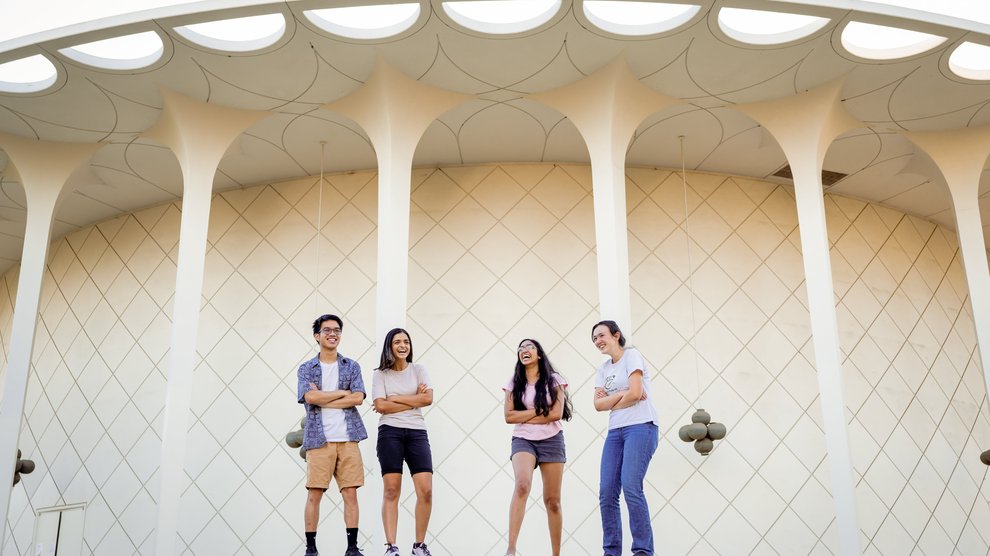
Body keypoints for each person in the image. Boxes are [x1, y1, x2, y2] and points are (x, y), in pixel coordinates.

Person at [298, 314, 369, 556]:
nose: (333, 334)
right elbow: (309, 398)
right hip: (319, 439)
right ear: (317, 336)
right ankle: (311, 548)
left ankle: (352, 548)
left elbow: (358, 397)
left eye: (337, 330)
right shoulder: (307, 368)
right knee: (314, 492)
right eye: (327, 330)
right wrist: (342, 393)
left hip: (348, 438)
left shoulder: (352, 366)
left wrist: (324, 397)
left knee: (350, 492)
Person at [592, 320, 659, 556]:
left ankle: (642, 551)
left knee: (631, 486)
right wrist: (623, 394)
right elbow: (598, 405)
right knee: (607, 492)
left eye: (601, 335)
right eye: (595, 339)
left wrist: (617, 397)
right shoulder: (603, 369)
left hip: (641, 427)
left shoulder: (632, 356)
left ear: (616, 335)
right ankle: (611, 552)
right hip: (615, 432)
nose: (598, 341)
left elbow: (637, 393)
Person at [502, 338, 572, 556]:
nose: (524, 350)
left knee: (552, 501)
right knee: (522, 485)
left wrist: (527, 415)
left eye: (529, 347)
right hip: (523, 439)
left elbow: (555, 414)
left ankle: (556, 554)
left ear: (539, 354)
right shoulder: (514, 382)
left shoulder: (554, 380)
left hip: (552, 439)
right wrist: (540, 411)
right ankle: (511, 549)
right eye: (520, 348)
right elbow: (509, 416)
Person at [371, 328, 435, 556]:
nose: (402, 345)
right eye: (397, 341)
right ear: (390, 346)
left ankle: (419, 546)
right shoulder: (380, 374)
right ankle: (391, 547)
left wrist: (396, 399)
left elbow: (428, 398)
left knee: (426, 490)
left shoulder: (419, 369)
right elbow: (380, 406)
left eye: (406, 341)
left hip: (417, 432)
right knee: (391, 489)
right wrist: (413, 400)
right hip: (390, 431)